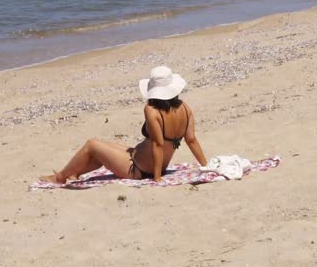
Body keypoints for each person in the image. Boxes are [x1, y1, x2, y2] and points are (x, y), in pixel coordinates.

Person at [41, 66, 207, 184]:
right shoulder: (185, 108)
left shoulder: (152, 110)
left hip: (137, 169)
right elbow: (191, 140)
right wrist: (206, 166)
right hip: (143, 160)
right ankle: (74, 173)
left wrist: (157, 177)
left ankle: (60, 178)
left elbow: (158, 144)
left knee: (91, 145)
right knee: (101, 148)